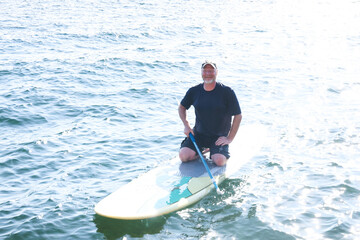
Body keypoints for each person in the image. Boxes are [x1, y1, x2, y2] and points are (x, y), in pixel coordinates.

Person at [178, 60, 242, 167]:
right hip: (198, 134)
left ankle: (215, 151)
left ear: (216, 72)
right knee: (184, 156)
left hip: (218, 137)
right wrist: (186, 125)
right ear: (201, 72)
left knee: (219, 161)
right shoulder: (194, 91)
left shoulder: (227, 92)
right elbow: (181, 107)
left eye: (211, 71)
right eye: (205, 71)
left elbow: (238, 116)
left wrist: (229, 138)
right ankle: (201, 152)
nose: (208, 74)